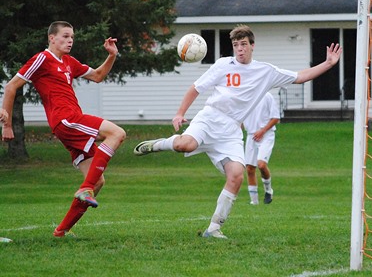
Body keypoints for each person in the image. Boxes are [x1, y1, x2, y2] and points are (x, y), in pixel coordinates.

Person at [134, 24, 341, 239]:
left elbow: (300, 76)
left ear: (252, 46)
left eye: (243, 44)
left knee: (236, 176)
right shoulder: (223, 65)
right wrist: (179, 113)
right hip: (210, 117)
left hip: (231, 130)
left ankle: (214, 228)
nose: (239, 49)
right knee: (183, 145)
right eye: (235, 45)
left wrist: (327, 63)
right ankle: (157, 144)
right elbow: (196, 88)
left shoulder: (266, 72)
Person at [1, 21, 126, 237]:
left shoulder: (69, 62)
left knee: (98, 181)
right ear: (52, 38)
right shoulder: (42, 58)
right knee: (117, 133)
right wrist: (8, 124)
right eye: (65, 36)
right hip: (66, 119)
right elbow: (12, 86)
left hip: (68, 123)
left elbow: (97, 76)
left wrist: (112, 55)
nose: (70, 41)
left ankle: (61, 232)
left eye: (72, 37)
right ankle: (84, 189)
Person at [243, 92, 280, 205]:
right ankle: (254, 202)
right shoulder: (244, 96)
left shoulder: (267, 96)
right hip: (251, 135)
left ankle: (268, 190)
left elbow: (275, 118)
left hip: (266, 135)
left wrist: (262, 131)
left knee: (261, 165)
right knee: (249, 169)